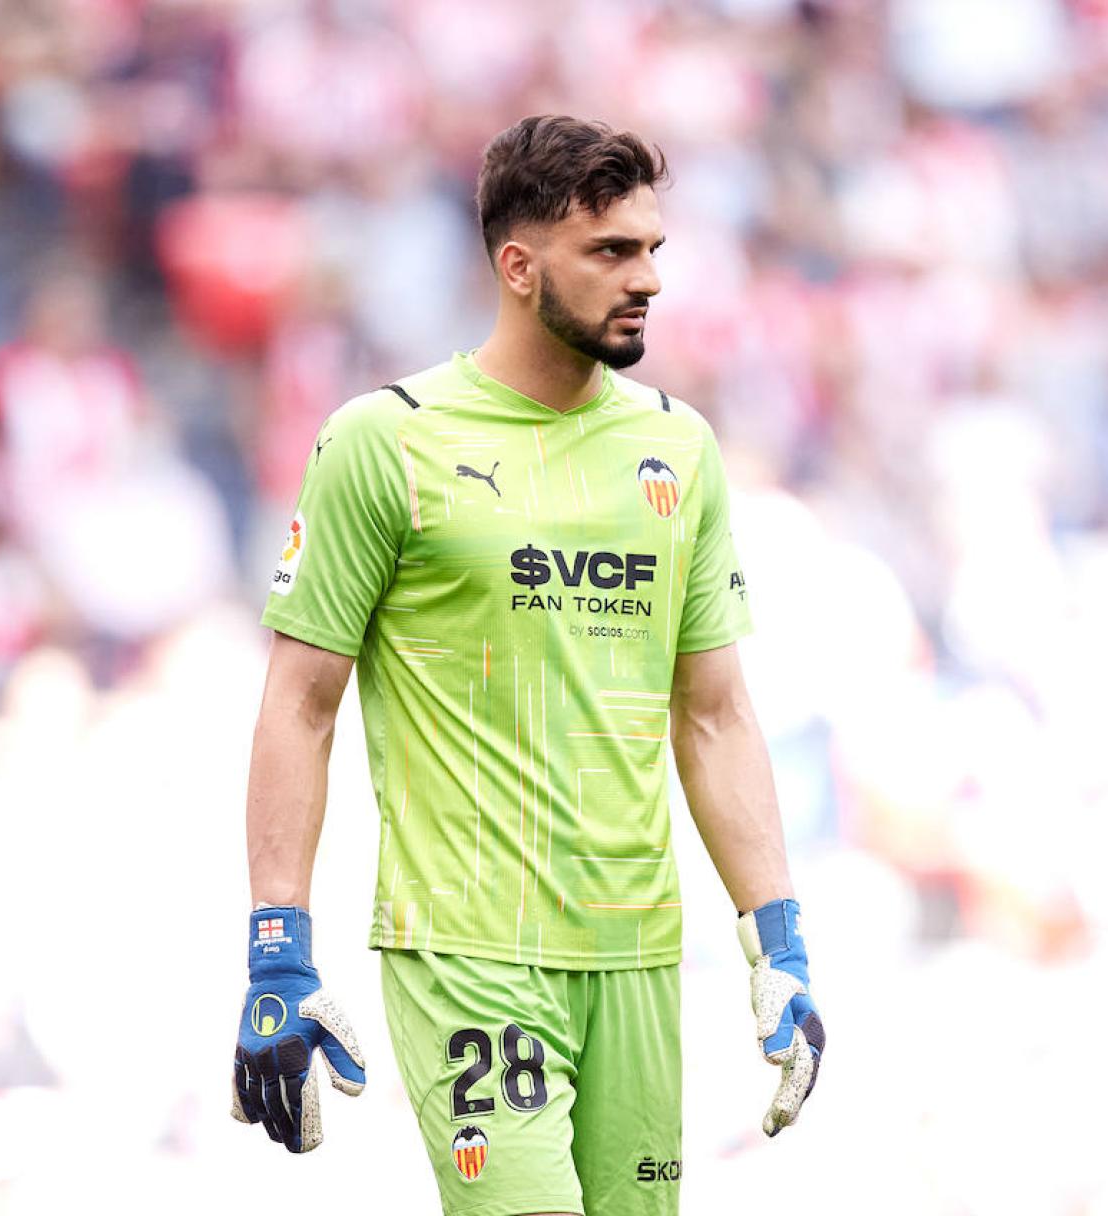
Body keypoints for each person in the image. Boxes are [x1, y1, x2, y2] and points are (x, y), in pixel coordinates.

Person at [228, 115, 825, 1216]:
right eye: (610, 252)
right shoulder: (385, 439)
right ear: (517, 266)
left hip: (638, 948)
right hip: (467, 943)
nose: (646, 278)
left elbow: (716, 715)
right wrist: (278, 947)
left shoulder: (678, 447)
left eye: (651, 249)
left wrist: (776, 942)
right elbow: (300, 705)